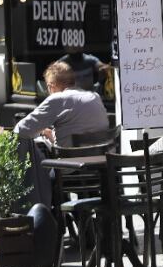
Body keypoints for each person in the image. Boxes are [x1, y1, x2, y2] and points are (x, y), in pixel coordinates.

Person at [14, 60, 115, 208]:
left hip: (74, 172)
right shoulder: (94, 97)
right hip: (101, 170)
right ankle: (81, 220)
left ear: (51, 86)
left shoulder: (57, 99)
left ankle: (55, 223)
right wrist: (52, 135)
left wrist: (40, 131)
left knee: (45, 175)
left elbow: (21, 130)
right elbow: (80, 131)